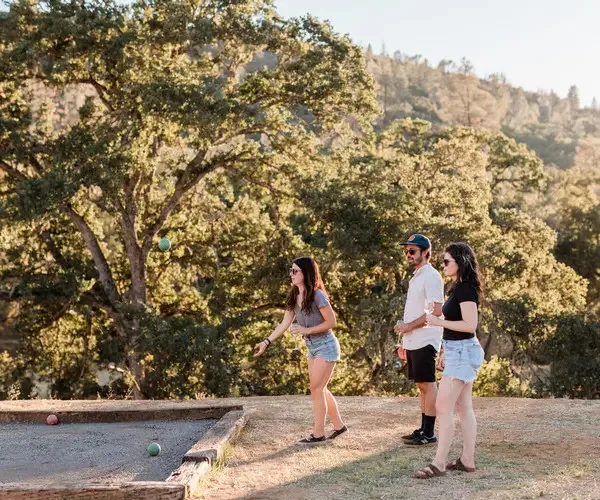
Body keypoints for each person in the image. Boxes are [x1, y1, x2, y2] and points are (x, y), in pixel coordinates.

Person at [253, 257, 347, 445]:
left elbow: (332, 322)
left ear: (306, 273)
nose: (292, 274)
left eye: (295, 271)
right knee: (320, 388)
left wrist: (306, 330)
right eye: (291, 271)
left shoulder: (318, 295)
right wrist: (266, 341)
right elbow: (284, 323)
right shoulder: (294, 295)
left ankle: (318, 434)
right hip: (312, 348)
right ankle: (339, 426)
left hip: (326, 345)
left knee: (316, 388)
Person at [412, 242, 485, 479]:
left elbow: (469, 326)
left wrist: (439, 322)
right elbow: (456, 328)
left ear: (460, 262)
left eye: (446, 261)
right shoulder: (458, 287)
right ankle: (467, 460)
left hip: (464, 351)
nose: (442, 265)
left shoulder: (466, 290)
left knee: (443, 407)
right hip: (457, 350)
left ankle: (439, 463)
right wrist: (444, 348)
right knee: (463, 407)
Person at [395, 234, 444, 446]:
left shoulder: (432, 276)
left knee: (428, 383)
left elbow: (436, 311)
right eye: (407, 251)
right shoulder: (416, 276)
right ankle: (423, 429)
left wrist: (408, 327)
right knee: (421, 385)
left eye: (412, 251)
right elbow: (415, 310)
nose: (408, 254)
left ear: (425, 252)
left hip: (426, 339)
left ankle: (430, 433)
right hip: (414, 339)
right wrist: (404, 340)